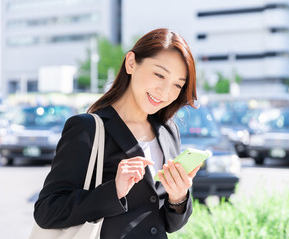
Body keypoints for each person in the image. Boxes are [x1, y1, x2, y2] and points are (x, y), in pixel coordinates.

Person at [33, 28, 199, 239]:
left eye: (177, 85)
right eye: (159, 75)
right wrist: (114, 191)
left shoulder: (168, 131)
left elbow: (170, 224)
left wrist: (178, 197)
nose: (165, 92)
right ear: (131, 63)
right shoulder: (87, 128)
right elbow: (47, 211)